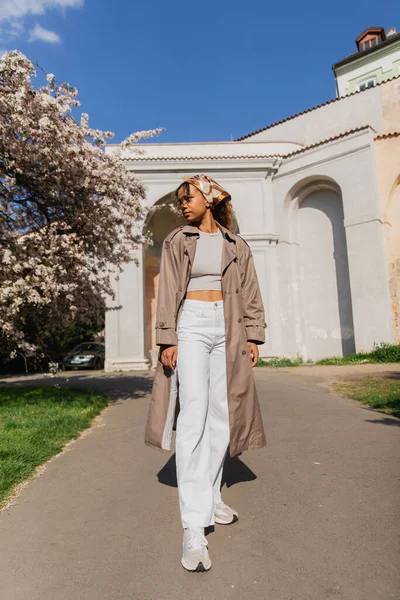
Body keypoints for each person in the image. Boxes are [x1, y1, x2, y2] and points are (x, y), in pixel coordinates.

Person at [144, 174, 267, 572]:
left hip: (228, 326)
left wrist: (253, 335)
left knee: (222, 417)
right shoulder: (178, 240)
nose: (183, 204)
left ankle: (212, 495)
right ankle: (193, 528)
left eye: (189, 197)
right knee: (194, 415)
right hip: (192, 323)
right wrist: (168, 339)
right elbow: (168, 294)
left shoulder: (236, 245)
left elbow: (250, 291)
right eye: (180, 199)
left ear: (210, 199)